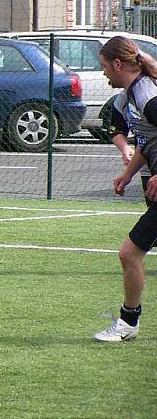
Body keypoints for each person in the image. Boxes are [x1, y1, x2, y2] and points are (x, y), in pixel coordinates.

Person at [95, 35, 157, 342]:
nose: (104, 72)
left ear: (119, 64)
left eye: (105, 66)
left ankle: (128, 324)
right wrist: (129, 173)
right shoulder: (133, 94)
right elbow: (147, 142)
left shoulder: (145, 94)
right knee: (130, 254)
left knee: (129, 254)